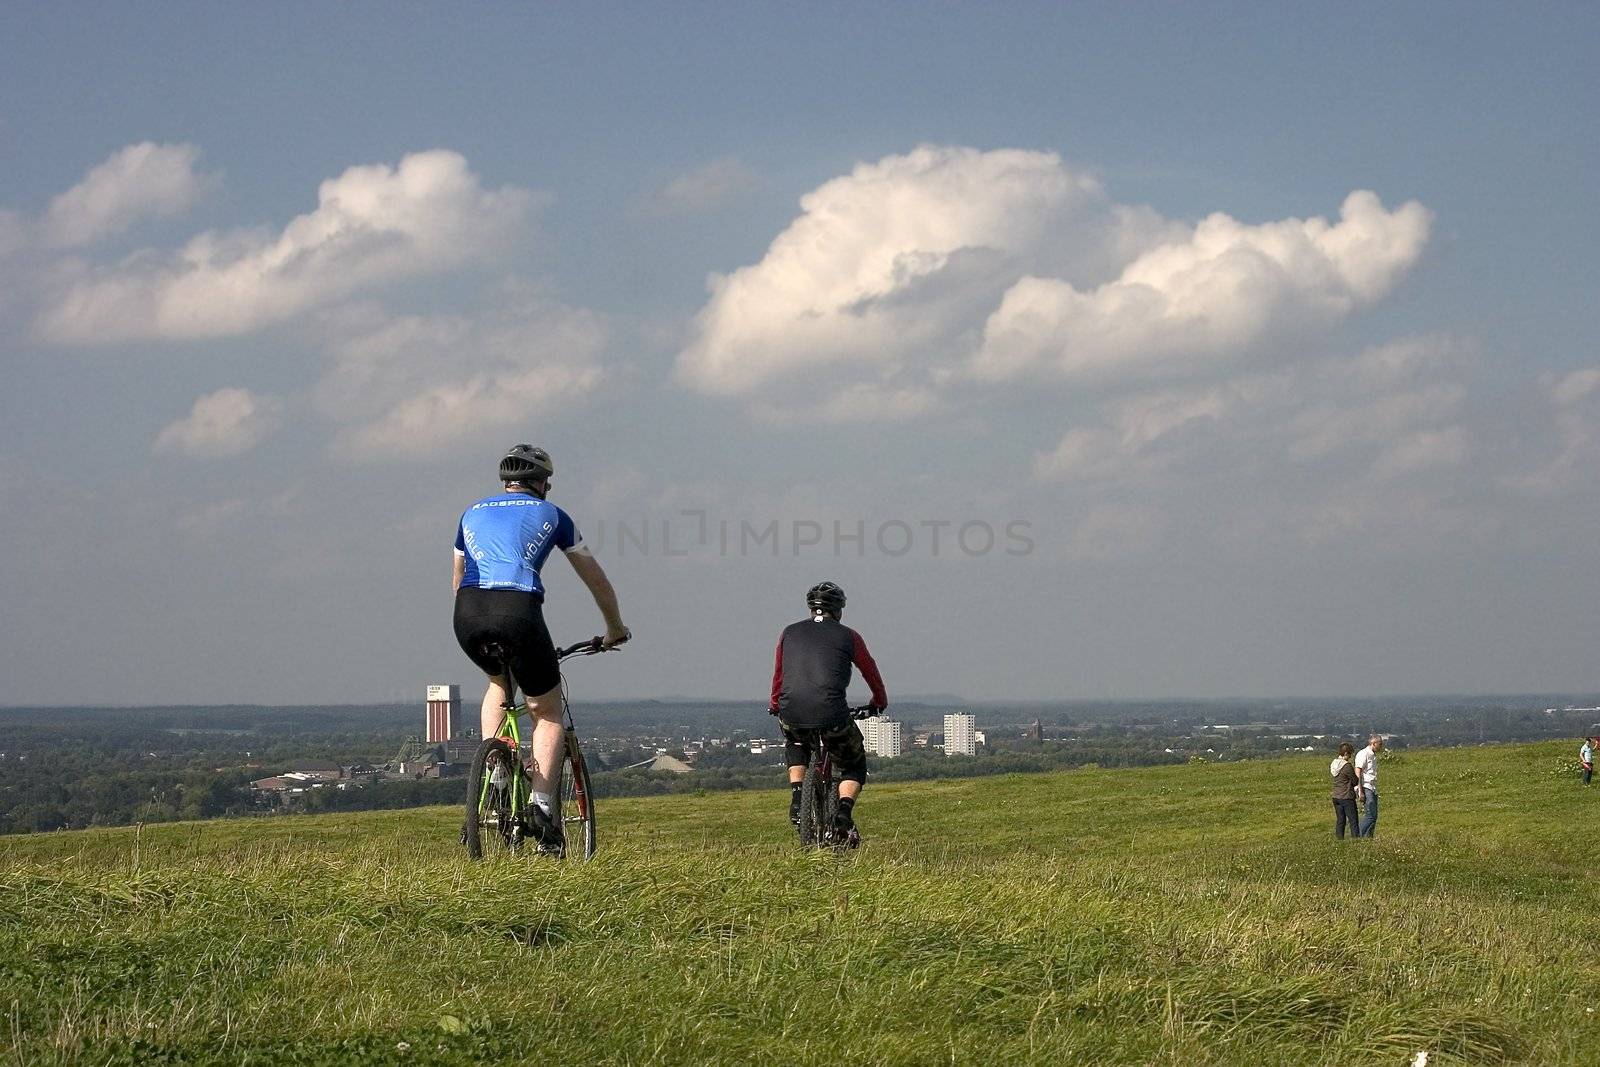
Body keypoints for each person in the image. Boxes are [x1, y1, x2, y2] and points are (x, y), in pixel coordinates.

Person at [453, 444, 629, 848]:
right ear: (541, 483)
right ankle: (543, 806)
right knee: (545, 711)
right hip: (518, 609)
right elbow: (595, 579)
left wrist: (473, 624)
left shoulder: (471, 512)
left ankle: (496, 773)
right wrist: (614, 628)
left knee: (498, 685)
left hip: (468, 612)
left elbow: (459, 575)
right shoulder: (554, 515)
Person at [768, 581, 888, 845]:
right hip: (832, 713)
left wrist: (776, 703)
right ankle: (844, 812)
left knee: (796, 742)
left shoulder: (788, 632)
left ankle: (799, 798)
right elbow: (869, 670)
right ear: (839, 610)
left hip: (792, 710)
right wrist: (878, 701)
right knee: (853, 762)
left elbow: (779, 673)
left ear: (811, 607)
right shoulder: (849, 636)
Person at [1352, 734, 1384, 838]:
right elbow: (1358, 771)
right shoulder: (1363, 754)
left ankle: (1368, 837)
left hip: (1372, 787)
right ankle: (1358, 835)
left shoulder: (1373, 755)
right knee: (1370, 815)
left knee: (1374, 815)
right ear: (1373, 743)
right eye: (1380, 744)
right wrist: (1360, 791)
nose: (1381, 747)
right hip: (1365, 787)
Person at [1330, 742, 1360, 839]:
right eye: (1350, 754)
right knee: (1353, 820)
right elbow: (1355, 781)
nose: (1350, 756)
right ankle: (1356, 840)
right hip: (1346, 796)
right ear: (1346, 753)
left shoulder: (1334, 764)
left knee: (1340, 820)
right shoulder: (1346, 766)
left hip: (1336, 796)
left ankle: (1339, 840)